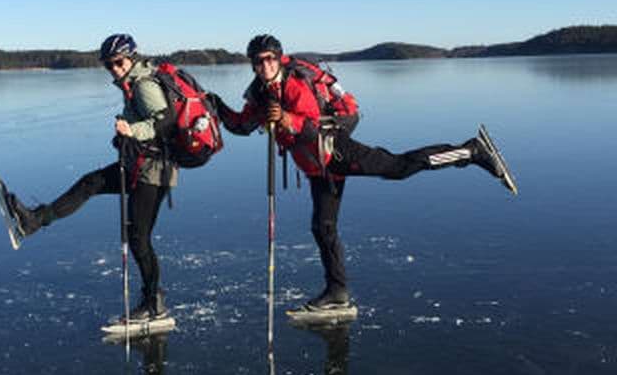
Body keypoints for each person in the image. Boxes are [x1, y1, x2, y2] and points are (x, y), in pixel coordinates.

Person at [214, 34, 516, 311]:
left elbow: (311, 126)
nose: (265, 65)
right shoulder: (259, 92)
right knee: (323, 227)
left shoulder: (294, 85)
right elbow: (243, 125)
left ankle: (471, 151)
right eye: (258, 60)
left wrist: (284, 119)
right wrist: (217, 107)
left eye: (270, 58)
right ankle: (337, 293)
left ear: (280, 58)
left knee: (397, 168)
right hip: (318, 166)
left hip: (336, 152)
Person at [0, 34, 176, 320]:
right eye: (109, 65)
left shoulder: (144, 84)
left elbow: (166, 120)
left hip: (155, 173)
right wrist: (127, 137)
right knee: (90, 183)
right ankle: (34, 221)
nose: (115, 69)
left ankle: (154, 301)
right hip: (139, 164)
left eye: (118, 62)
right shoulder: (133, 83)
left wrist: (133, 132)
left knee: (139, 238)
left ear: (132, 57)